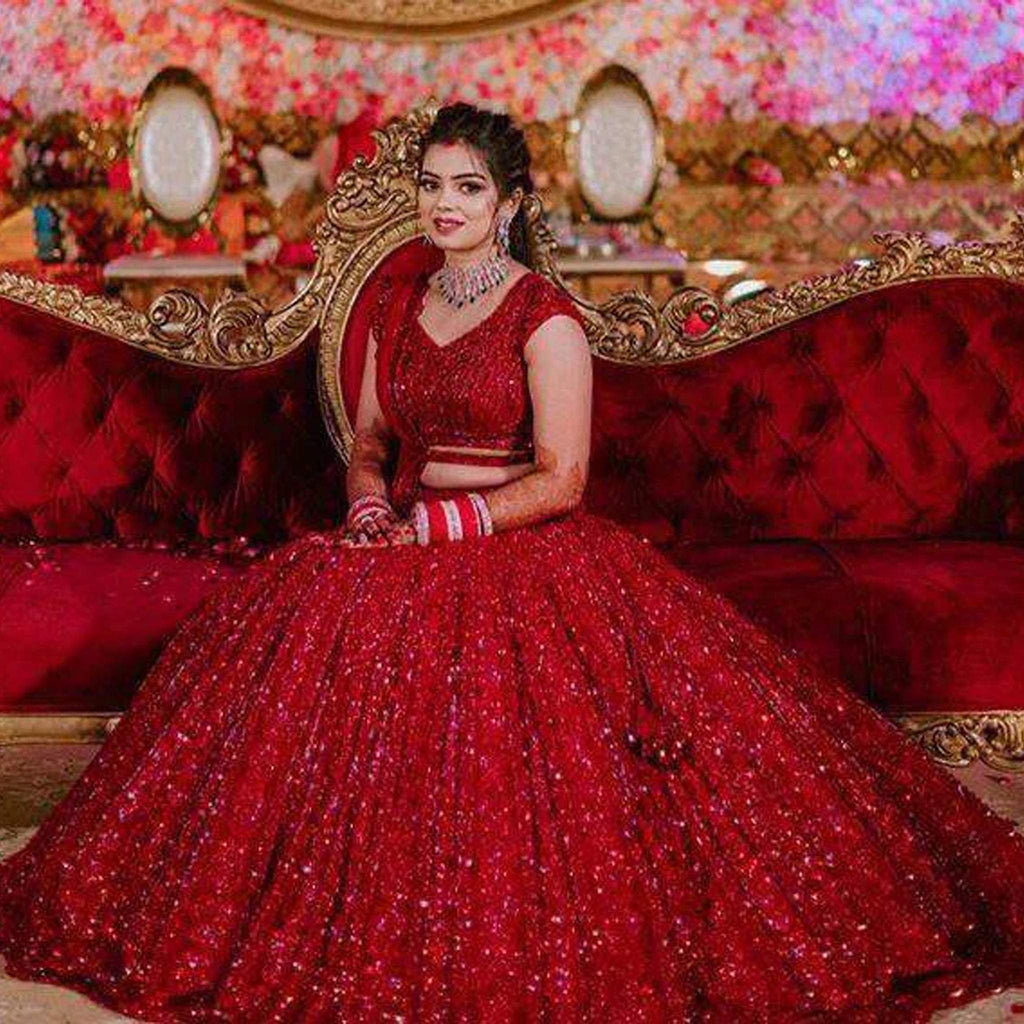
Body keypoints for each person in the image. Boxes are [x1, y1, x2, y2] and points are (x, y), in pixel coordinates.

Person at [1, 101, 1024, 1024]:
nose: (443, 205)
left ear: (510, 203)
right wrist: (369, 503)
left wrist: (441, 530)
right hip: (397, 541)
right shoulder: (397, 309)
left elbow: (564, 478)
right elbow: (371, 439)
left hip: (518, 547)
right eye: (432, 185)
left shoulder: (546, 318)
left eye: (467, 187)